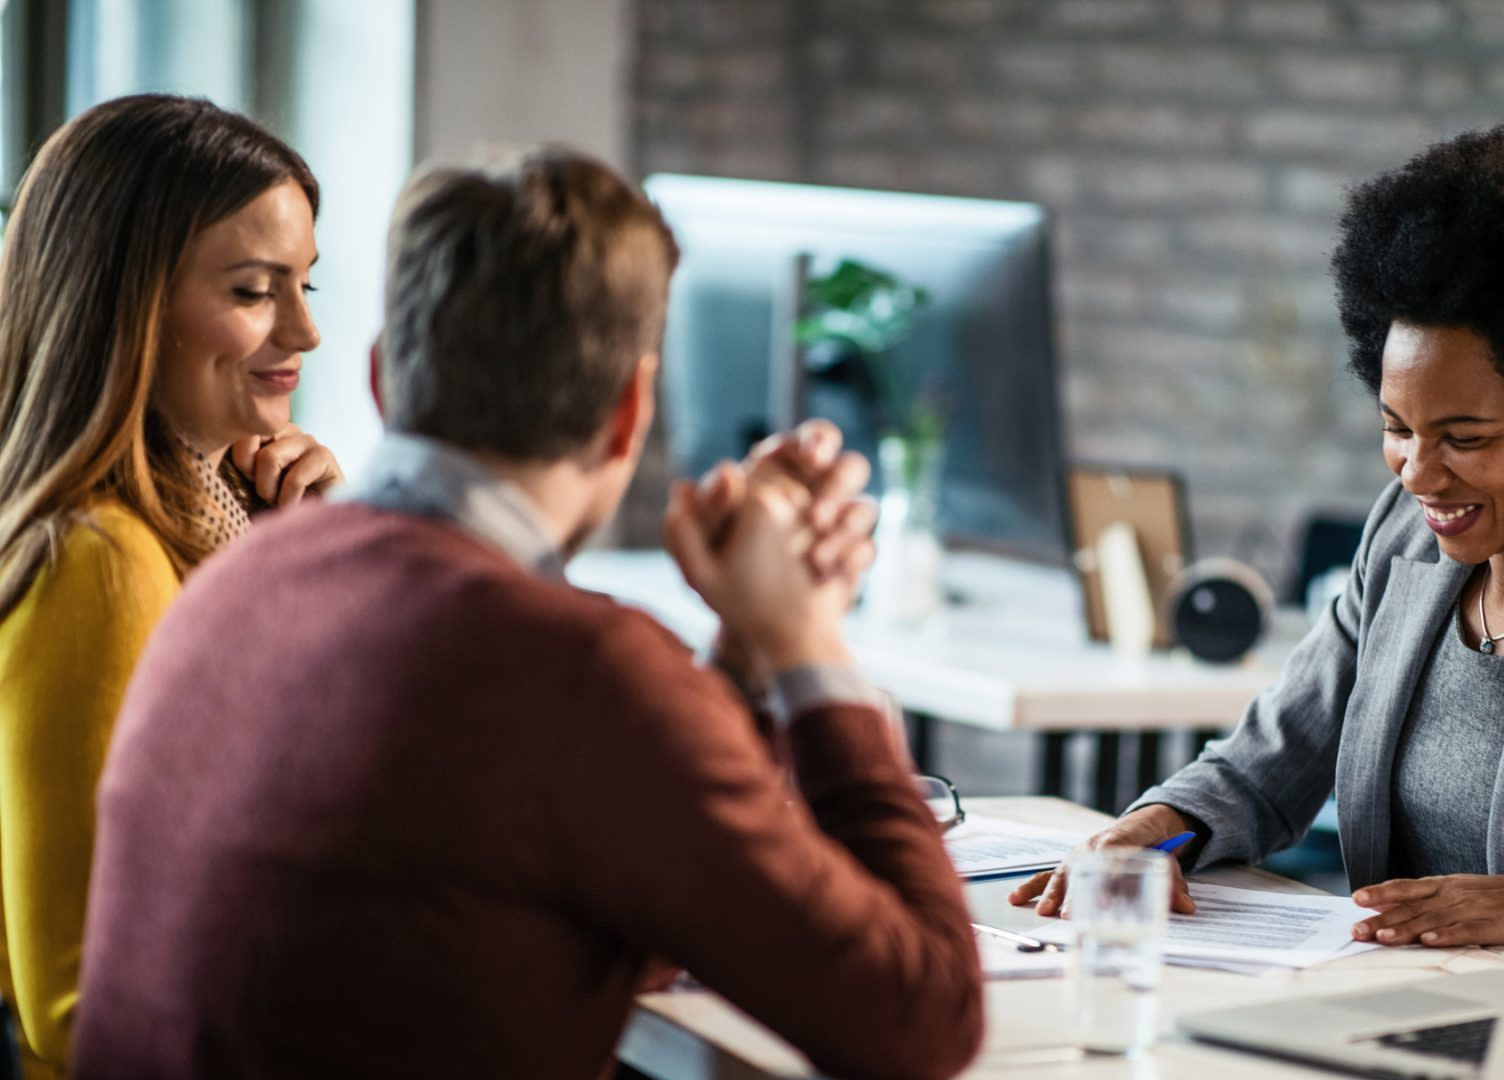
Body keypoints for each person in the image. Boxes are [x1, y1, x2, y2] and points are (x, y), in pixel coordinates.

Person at [72, 148, 983, 1080]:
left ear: (385, 379)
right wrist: (808, 642)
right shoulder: (582, 673)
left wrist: (745, 656)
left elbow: (622, 878)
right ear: (630, 410)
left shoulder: (234, 578)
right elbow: (925, 1022)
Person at [1014, 127, 1504, 948]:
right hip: (1386, 1014)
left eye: (1464, 438)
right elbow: (1269, 759)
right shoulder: (1404, 543)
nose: (1418, 474)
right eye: (1397, 428)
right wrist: (1155, 827)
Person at [0, 94, 341, 1077]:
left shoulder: (222, 511)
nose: (306, 331)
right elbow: (85, 1002)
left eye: (307, 284)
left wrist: (307, 566)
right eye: (253, 291)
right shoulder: (98, 560)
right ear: (126, 303)